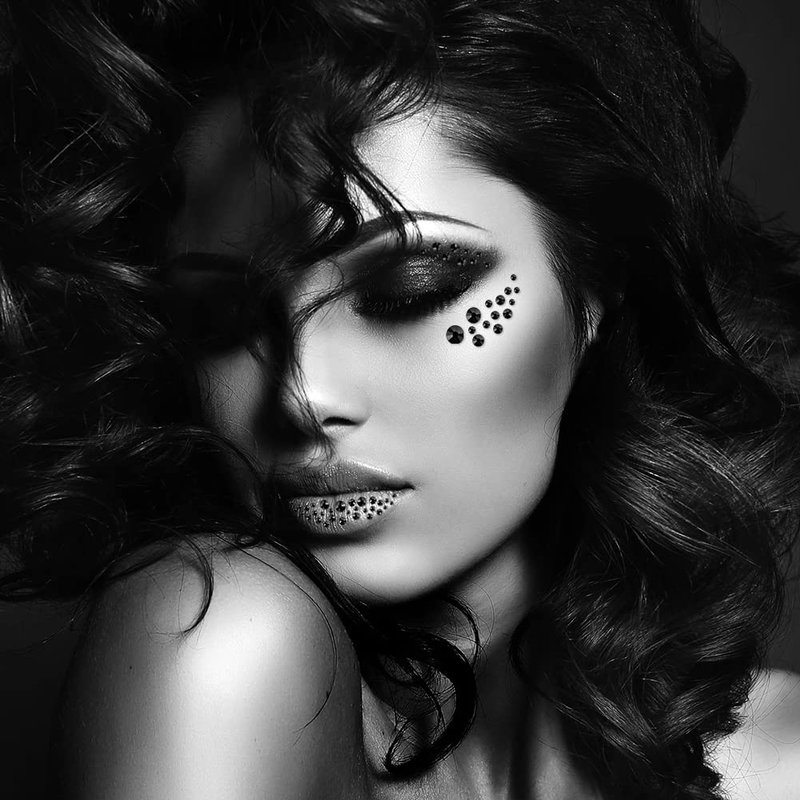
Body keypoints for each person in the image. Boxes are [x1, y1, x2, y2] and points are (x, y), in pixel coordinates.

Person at [2, 1, 800, 798]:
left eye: (409, 290)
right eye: (221, 316)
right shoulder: (215, 632)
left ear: (597, 287)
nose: (302, 395)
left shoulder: (779, 761)